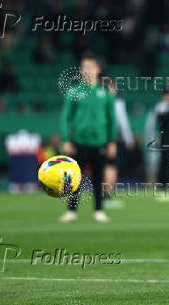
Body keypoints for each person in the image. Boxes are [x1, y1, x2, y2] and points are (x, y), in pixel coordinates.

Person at [60, 52, 117, 223]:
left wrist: (112, 141)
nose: (88, 70)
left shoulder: (105, 92)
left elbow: (111, 120)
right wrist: (66, 139)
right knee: (75, 177)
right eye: (85, 67)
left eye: (91, 67)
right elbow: (66, 117)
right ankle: (71, 211)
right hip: (79, 140)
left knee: (99, 178)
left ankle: (99, 210)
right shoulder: (73, 91)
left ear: (98, 69)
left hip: (99, 141)